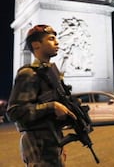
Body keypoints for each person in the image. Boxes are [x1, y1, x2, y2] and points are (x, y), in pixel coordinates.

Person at [7, 25, 76, 166]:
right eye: (51, 39)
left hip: (52, 142)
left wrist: (60, 143)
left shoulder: (50, 75)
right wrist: (51, 107)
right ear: (36, 45)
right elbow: (13, 112)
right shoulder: (28, 73)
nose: (57, 42)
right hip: (37, 145)